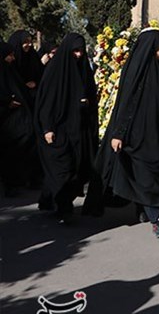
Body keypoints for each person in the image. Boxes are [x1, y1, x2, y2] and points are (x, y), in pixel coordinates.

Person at [96, 29, 159, 238]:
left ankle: (143, 208)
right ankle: (157, 219)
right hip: (139, 134)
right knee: (146, 174)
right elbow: (127, 104)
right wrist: (119, 133)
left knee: (157, 172)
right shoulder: (138, 70)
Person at [34, 33, 100, 222]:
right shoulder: (55, 71)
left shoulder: (83, 72)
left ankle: (57, 202)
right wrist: (47, 128)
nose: (79, 55)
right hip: (58, 130)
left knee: (76, 169)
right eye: (75, 51)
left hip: (78, 130)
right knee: (61, 170)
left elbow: (91, 96)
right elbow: (47, 103)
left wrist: (86, 103)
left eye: (81, 51)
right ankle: (64, 208)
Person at [0, 41, 37, 195]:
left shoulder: (10, 70)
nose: (13, 58)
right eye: (10, 55)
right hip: (7, 121)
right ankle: (10, 184)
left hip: (19, 118)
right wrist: (7, 101)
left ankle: (20, 180)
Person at [8, 30, 44, 101]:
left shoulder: (33, 57)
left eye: (30, 41)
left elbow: (40, 74)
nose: (30, 44)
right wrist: (23, 86)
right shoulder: (10, 61)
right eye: (26, 42)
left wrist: (36, 83)